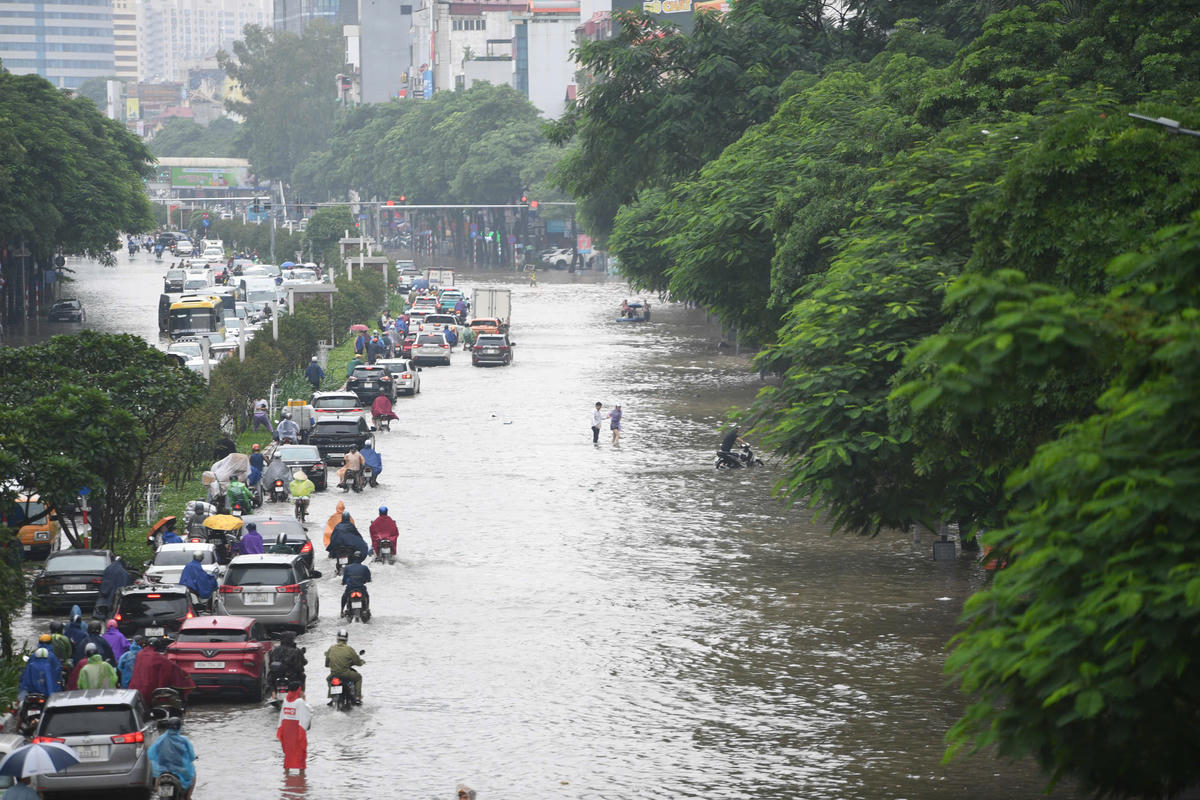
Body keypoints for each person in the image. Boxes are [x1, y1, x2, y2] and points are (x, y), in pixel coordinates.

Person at [147, 718, 197, 799]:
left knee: (157, 778)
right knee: (193, 773)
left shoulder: (160, 739)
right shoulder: (184, 740)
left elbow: (151, 754)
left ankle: (157, 790)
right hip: (180, 770)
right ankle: (188, 796)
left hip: (163, 770)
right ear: (179, 727)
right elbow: (191, 756)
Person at [130, 637, 195, 699]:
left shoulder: (140, 654)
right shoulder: (157, 656)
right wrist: (184, 674)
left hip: (134, 688)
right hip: (149, 689)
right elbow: (172, 666)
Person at [277, 680, 312, 772]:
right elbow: (309, 711)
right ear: (298, 690)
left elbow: (282, 715)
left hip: (286, 728)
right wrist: (305, 699)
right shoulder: (300, 701)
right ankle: (301, 774)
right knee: (300, 750)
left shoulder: (285, 700)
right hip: (297, 728)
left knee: (288, 751)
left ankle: (287, 773)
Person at [324, 629, 364, 703]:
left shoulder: (331, 648)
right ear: (346, 639)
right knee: (359, 677)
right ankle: (358, 697)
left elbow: (326, 664)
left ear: (337, 638)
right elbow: (357, 662)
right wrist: (361, 662)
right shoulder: (349, 649)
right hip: (346, 674)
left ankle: (332, 697)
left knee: (328, 679)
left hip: (334, 674)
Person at [340, 551, 371, 616]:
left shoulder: (347, 567)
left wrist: (343, 583)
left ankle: (342, 611)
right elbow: (368, 578)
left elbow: (344, 579)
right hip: (361, 588)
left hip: (350, 588)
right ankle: (367, 609)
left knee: (344, 597)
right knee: (367, 596)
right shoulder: (364, 567)